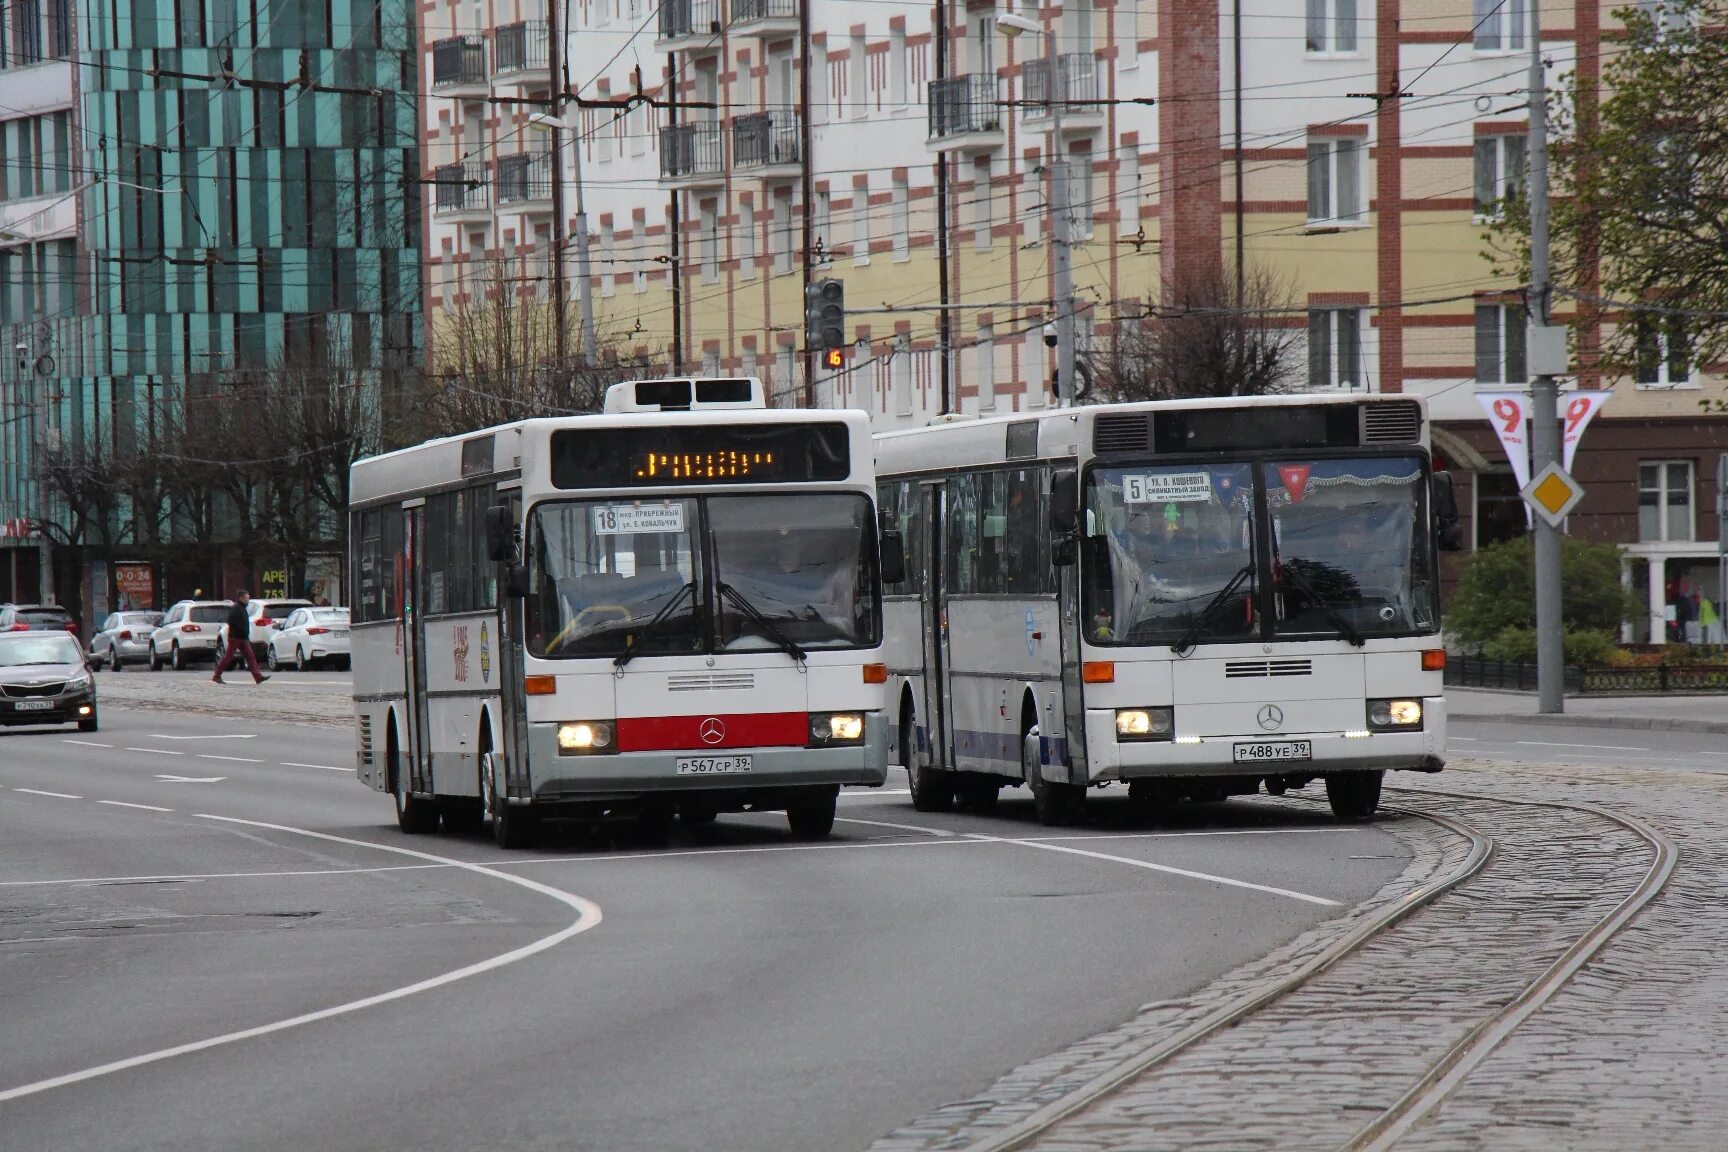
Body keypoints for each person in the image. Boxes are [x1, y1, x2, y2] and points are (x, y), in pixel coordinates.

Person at [213, 589, 269, 685]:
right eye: (247, 598)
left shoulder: (243, 608)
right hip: (235, 637)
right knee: (228, 657)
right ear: (241, 598)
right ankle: (216, 676)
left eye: (248, 597)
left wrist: (245, 634)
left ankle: (258, 677)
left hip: (243, 638)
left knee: (250, 657)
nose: (248, 599)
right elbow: (232, 621)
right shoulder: (236, 608)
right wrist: (241, 631)